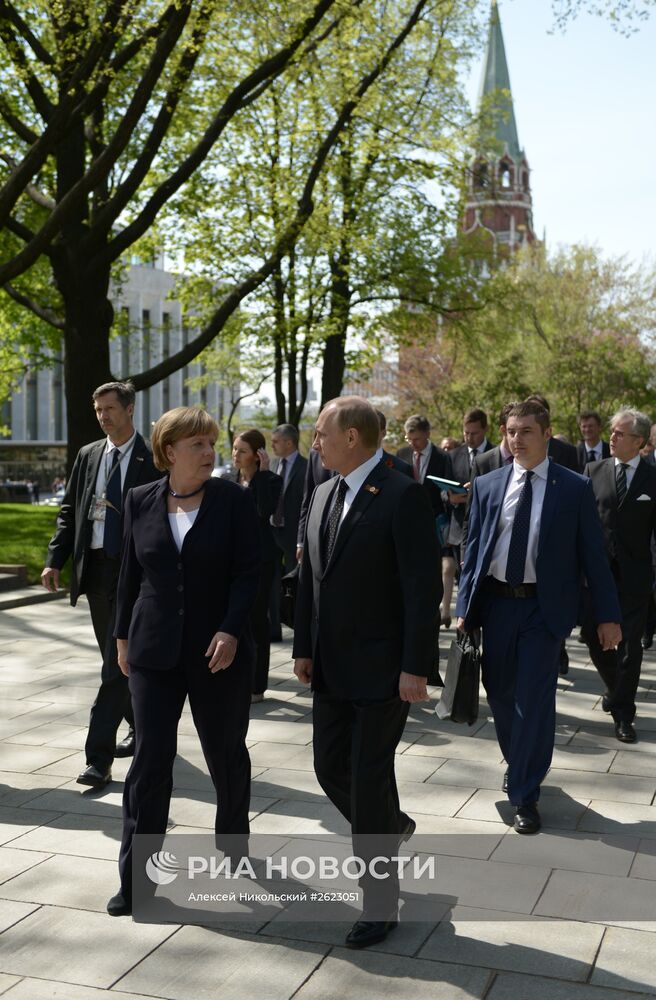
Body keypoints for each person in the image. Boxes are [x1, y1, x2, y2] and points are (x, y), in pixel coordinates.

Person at [293, 396, 441, 949]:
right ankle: (391, 824)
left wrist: (414, 668)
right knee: (328, 766)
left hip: (383, 670)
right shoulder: (323, 492)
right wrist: (303, 647)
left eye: (321, 432)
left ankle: (379, 903)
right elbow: (310, 580)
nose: (315, 440)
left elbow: (422, 590)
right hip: (330, 666)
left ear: (351, 437)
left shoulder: (403, 495)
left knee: (367, 778)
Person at [107, 407, 260, 917]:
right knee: (149, 761)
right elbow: (129, 573)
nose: (208, 451)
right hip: (153, 649)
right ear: (169, 451)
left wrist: (231, 629)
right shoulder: (139, 500)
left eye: (212, 442)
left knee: (225, 753)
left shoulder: (233, 501)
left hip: (218, 651)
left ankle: (233, 845)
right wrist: (122, 637)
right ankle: (136, 879)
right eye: (197, 443)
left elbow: (249, 573)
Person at [456, 400, 621, 835]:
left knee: (533, 699)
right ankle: (521, 762)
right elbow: (473, 551)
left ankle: (526, 794)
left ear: (547, 434)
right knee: (501, 695)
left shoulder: (573, 487)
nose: (516, 439)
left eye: (526, 431)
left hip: (543, 610)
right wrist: (462, 610)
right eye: (511, 431)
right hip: (494, 605)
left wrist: (607, 615)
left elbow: (594, 558)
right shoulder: (489, 484)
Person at [41, 381, 160, 788]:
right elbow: (69, 508)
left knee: (115, 663)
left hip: (136, 574)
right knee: (116, 659)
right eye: (97, 410)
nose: (103, 416)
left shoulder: (152, 457)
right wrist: (56, 559)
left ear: (129, 409)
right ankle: (142, 729)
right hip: (96, 571)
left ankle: (99, 760)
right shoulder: (89, 455)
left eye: (109, 408)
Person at [582, 409, 656, 743]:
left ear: (639, 442)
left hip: (636, 578)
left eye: (619, 434)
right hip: (596, 577)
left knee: (629, 649)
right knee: (593, 639)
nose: (611, 437)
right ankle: (616, 691)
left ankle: (623, 714)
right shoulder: (592, 471)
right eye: (611, 432)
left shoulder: (653, 478)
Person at [223, 429, 282, 701]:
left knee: (258, 620)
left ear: (258, 455)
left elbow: (262, 512)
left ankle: (257, 686)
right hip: (230, 560)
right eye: (235, 449)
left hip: (261, 559)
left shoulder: (269, 481)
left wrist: (262, 475)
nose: (236, 454)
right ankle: (235, 679)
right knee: (234, 618)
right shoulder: (227, 480)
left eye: (242, 450)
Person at [268, 424, 308, 640]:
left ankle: (298, 628)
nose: (272, 445)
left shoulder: (306, 466)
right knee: (272, 581)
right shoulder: (272, 464)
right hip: (272, 532)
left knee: (294, 582)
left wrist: (302, 539)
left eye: (276, 441)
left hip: (293, 535)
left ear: (289, 442)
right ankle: (275, 629)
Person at [396, 414, 451, 517]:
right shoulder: (402, 454)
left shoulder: (442, 457)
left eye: (416, 439)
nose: (412, 444)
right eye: (409, 439)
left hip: (434, 516)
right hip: (407, 515)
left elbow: (446, 488)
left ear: (427, 434)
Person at [375, 410, 413, 478]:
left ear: (383, 433)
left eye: (372, 429)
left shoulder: (401, 468)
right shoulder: (351, 465)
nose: (366, 434)